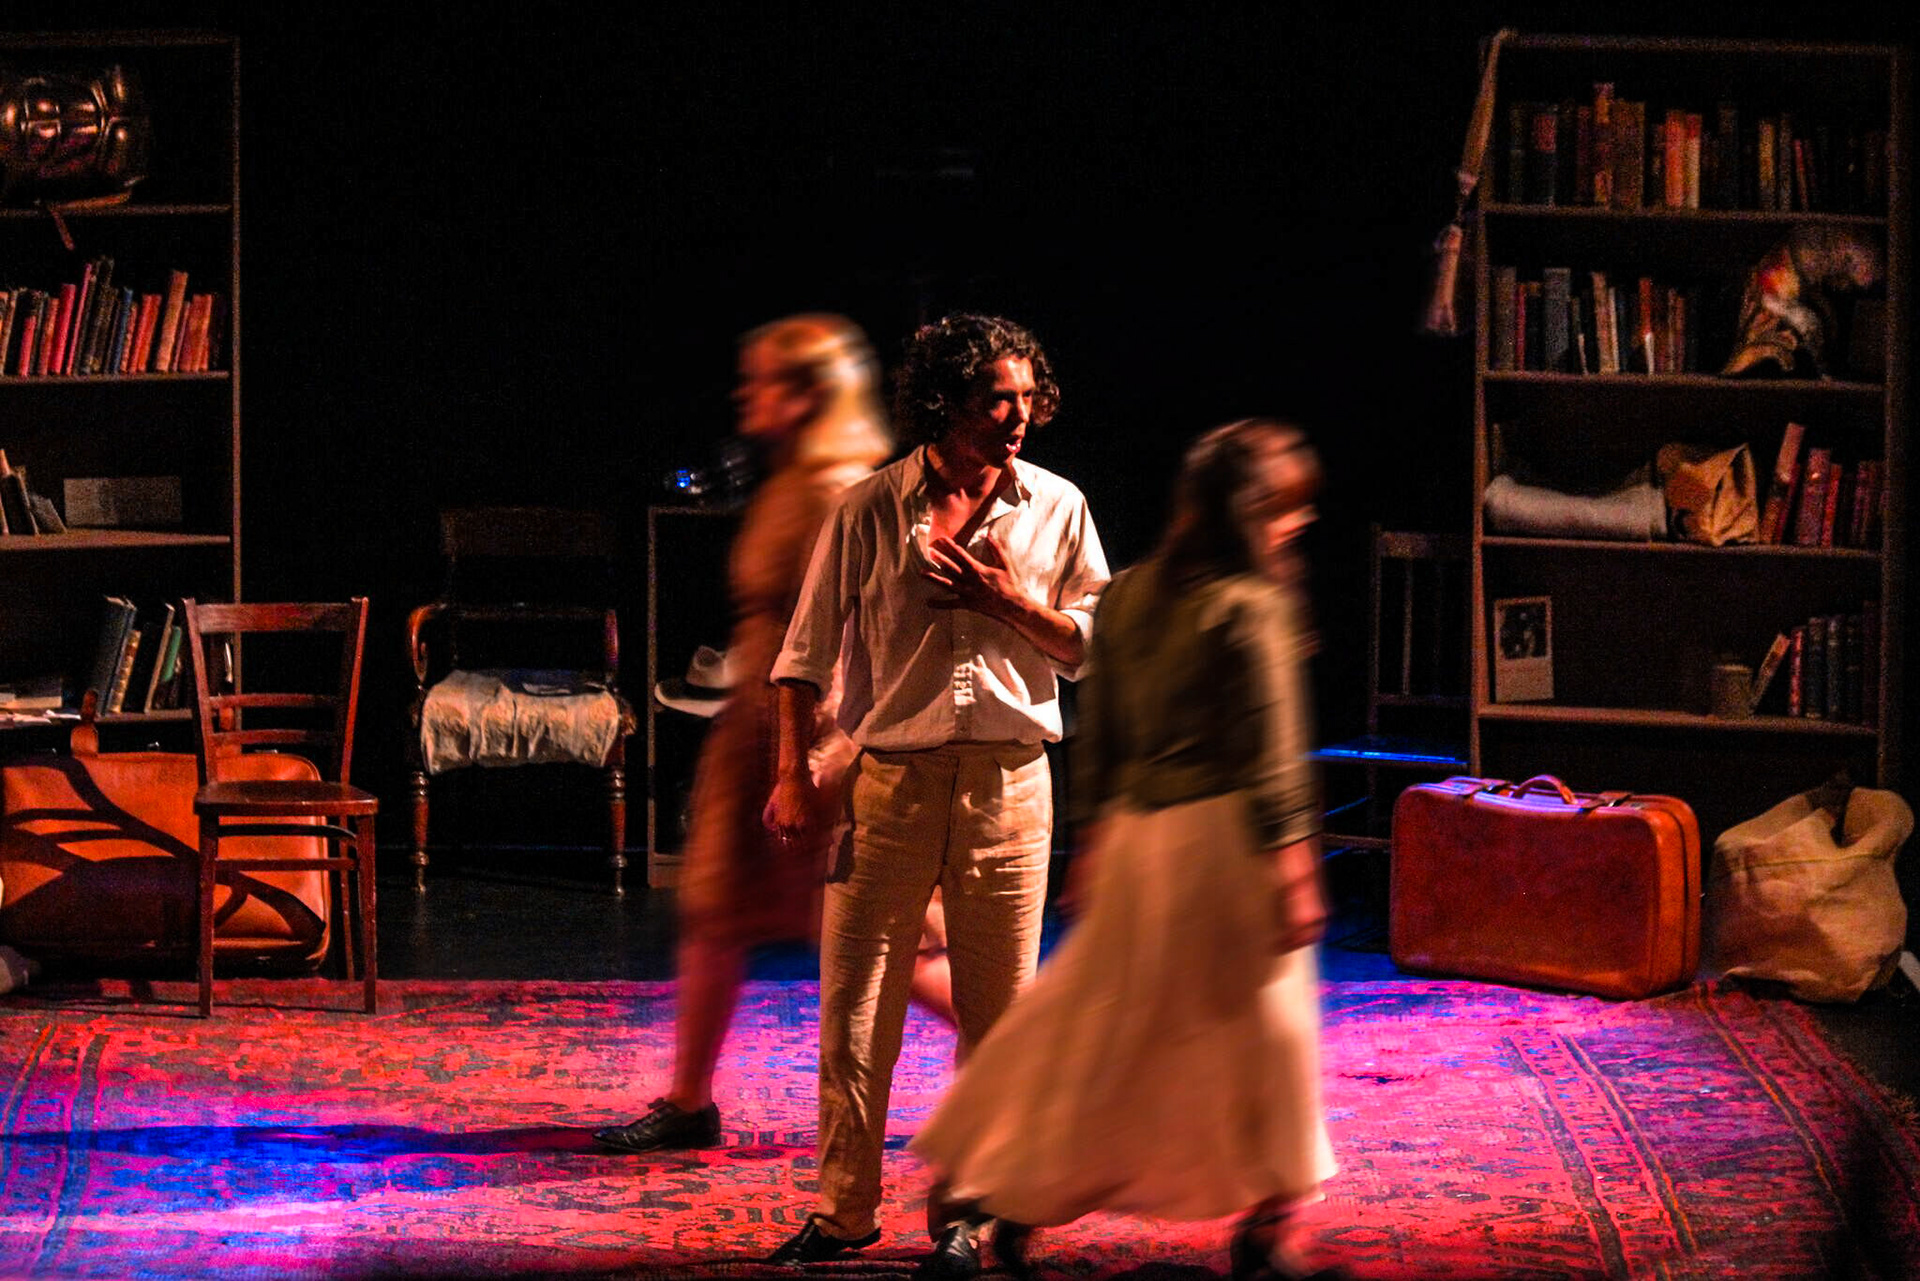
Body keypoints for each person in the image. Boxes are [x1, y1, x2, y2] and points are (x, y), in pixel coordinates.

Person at [909, 418, 1340, 1281]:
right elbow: (1270, 749)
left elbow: (1099, 726)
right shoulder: (1250, 605)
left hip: (1143, 844)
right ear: (1252, 515)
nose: (1299, 524)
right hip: (1222, 849)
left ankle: (1012, 1188)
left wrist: (1096, 837)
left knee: (1108, 1031)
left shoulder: (1135, 593)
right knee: (1267, 1037)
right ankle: (1270, 1226)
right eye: (1287, 510)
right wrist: (1294, 865)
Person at [761, 313, 1110, 1269]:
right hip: (892, 784)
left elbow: (1090, 646)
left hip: (1011, 784)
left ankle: (967, 1213)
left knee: (999, 1016)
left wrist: (1006, 601)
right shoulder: (869, 508)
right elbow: (800, 659)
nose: (1019, 414)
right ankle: (843, 1210)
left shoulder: (1058, 505)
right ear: (945, 400)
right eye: (997, 398)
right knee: (855, 1009)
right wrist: (792, 774)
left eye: (1028, 396)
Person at [593, 314, 957, 1156]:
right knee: (717, 912)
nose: (743, 394)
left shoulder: (838, 490)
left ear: (807, 394)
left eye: (760, 380)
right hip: (758, 726)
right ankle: (689, 1100)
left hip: (816, 733)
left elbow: (870, 633)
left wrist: (823, 755)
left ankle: (1029, 1061)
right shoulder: (793, 480)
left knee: (893, 934)